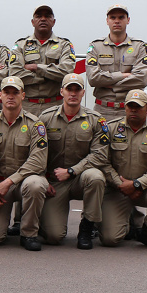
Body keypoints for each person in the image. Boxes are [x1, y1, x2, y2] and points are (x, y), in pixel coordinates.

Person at [38, 74, 109, 249]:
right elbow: (36, 153)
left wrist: (72, 171)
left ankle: (87, 227)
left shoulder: (96, 120)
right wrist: (42, 179)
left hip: (80, 178)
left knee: (96, 176)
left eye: (77, 89)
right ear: (62, 91)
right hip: (54, 181)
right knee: (53, 237)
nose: (73, 93)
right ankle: (44, 222)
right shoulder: (46, 118)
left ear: (83, 92)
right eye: (69, 89)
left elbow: (99, 155)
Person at [100, 89, 147, 250]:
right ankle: (130, 222)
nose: (133, 110)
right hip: (117, 189)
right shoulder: (111, 129)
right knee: (110, 239)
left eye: (138, 107)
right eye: (130, 106)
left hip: (146, 187)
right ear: (125, 107)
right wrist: (122, 185)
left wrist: (136, 184)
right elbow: (103, 163)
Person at [0, 76, 48, 251]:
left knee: (36, 184)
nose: (11, 96)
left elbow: (38, 161)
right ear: (0, 95)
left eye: (15, 93)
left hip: (22, 183)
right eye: (7, 92)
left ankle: (29, 234)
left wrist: (10, 181)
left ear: (23, 95)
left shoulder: (35, 125)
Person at [86, 4, 147, 121]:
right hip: (102, 110)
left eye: (121, 17)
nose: (117, 21)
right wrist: (124, 75)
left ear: (128, 20)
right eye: (113, 17)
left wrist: (107, 82)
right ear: (107, 21)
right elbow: (93, 79)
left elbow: (141, 80)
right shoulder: (95, 46)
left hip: (129, 111)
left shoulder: (140, 47)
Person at [9, 5, 76, 117]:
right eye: (39, 16)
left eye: (47, 16)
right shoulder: (21, 45)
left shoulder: (64, 45)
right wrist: (50, 75)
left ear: (53, 21)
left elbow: (67, 72)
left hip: (55, 106)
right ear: (33, 22)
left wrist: (36, 68)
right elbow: (15, 74)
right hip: (27, 107)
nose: (43, 19)